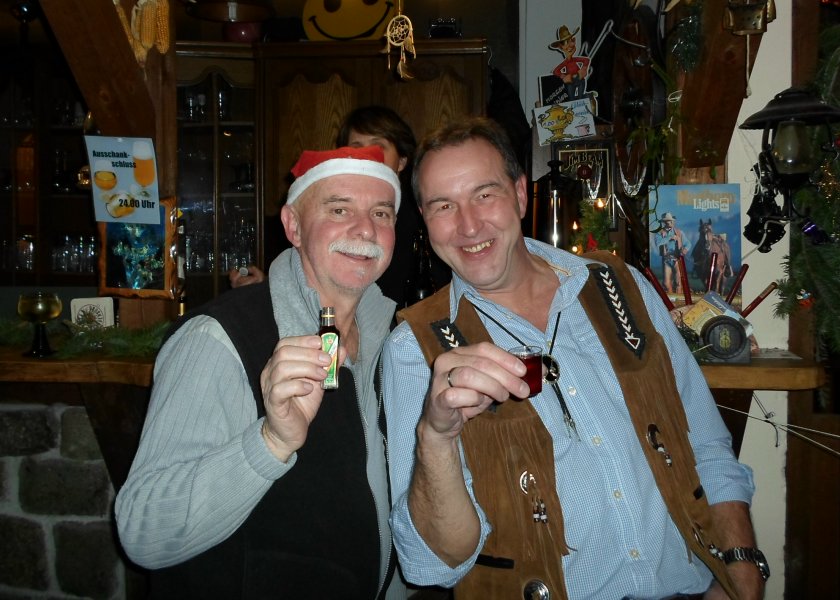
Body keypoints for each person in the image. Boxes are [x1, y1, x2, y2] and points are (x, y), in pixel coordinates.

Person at [382, 118, 765, 599]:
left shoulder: (623, 287)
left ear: (519, 194)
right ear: (423, 217)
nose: (469, 225)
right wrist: (436, 436)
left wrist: (741, 569)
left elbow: (706, 445)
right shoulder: (414, 349)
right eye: (444, 205)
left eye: (485, 194)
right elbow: (430, 565)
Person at [116, 145, 407, 599]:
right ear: (293, 226)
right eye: (339, 209)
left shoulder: (393, 342)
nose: (365, 229)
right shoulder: (218, 338)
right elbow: (144, 533)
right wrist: (270, 442)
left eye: (381, 213)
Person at [230, 105, 447, 303]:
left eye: (378, 147)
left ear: (402, 161)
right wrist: (266, 284)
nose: (366, 156)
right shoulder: (313, 207)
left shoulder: (424, 218)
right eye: (340, 210)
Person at [653, 211, 691, 294]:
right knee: (666, 283)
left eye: (671, 221)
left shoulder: (679, 232)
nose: (671, 222)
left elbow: (688, 244)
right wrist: (670, 237)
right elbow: (658, 243)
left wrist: (685, 250)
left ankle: (679, 297)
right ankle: (671, 298)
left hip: (677, 259)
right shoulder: (659, 233)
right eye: (669, 221)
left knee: (678, 282)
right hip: (666, 260)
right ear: (665, 222)